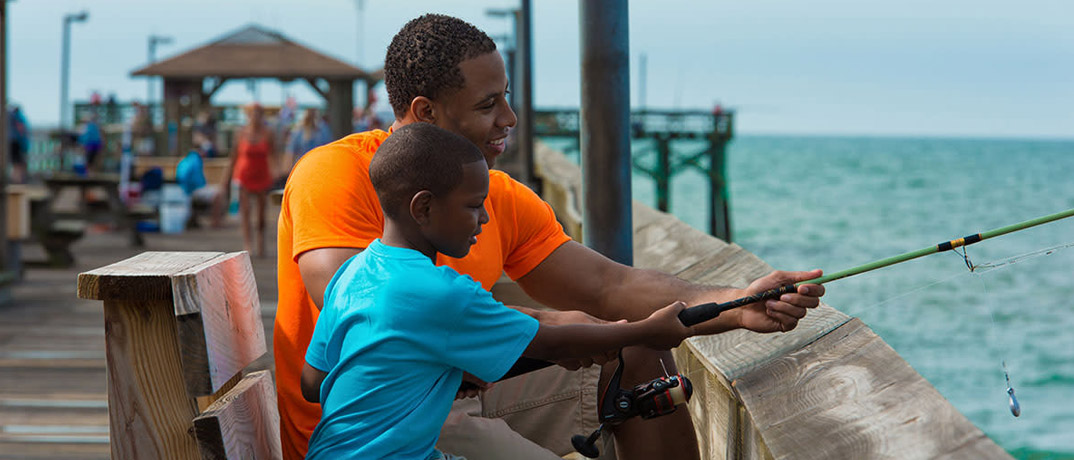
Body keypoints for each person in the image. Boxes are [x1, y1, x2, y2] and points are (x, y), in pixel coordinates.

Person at [276, 14, 825, 460]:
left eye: (506, 97)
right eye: (488, 105)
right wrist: (501, 342)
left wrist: (735, 304)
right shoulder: (337, 172)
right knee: (615, 336)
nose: (510, 118)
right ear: (426, 113)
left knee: (639, 350)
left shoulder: (497, 194)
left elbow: (608, 285)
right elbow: (353, 304)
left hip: (461, 392)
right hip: (381, 420)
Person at [301, 123, 696, 460]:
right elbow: (551, 341)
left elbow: (314, 382)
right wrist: (645, 331)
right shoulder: (438, 291)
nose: (484, 218)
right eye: (473, 206)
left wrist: (432, 373)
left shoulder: (354, 274)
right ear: (423, 209)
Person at [224, 103, 276, 257]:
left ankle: (261, 242)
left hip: (262, 175)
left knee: (261, 214)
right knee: (246, 211)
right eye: (253, 113)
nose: (256, 116)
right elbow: (233, 156)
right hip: (244, 175)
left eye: (259, 113)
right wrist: (226, 178)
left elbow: (273, 154)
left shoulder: (268, 133)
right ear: (248, 115)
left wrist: (277, 170)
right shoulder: (241, 133)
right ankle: (248, 243)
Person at [283, 108, 331, 173]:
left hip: (306, 169)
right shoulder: (323, 130)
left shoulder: (299, 131)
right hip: (315, 168)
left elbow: (290, 152)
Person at [7, 105, 29, 183]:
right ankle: (17, 180)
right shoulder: (19, 117)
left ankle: (15, 180)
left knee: (16, 163)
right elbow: (22, 130)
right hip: (17, 142)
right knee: (18, 164)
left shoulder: (11, 116)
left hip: (13, 142)